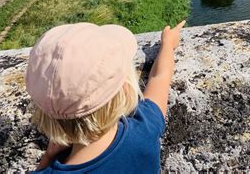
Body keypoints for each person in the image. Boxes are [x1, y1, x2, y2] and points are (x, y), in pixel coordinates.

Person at [25, 20, 186, 173]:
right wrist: (168, 45)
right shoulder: (144, 131)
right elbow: (160, 77)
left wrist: (48, 157)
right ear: (125, 89)